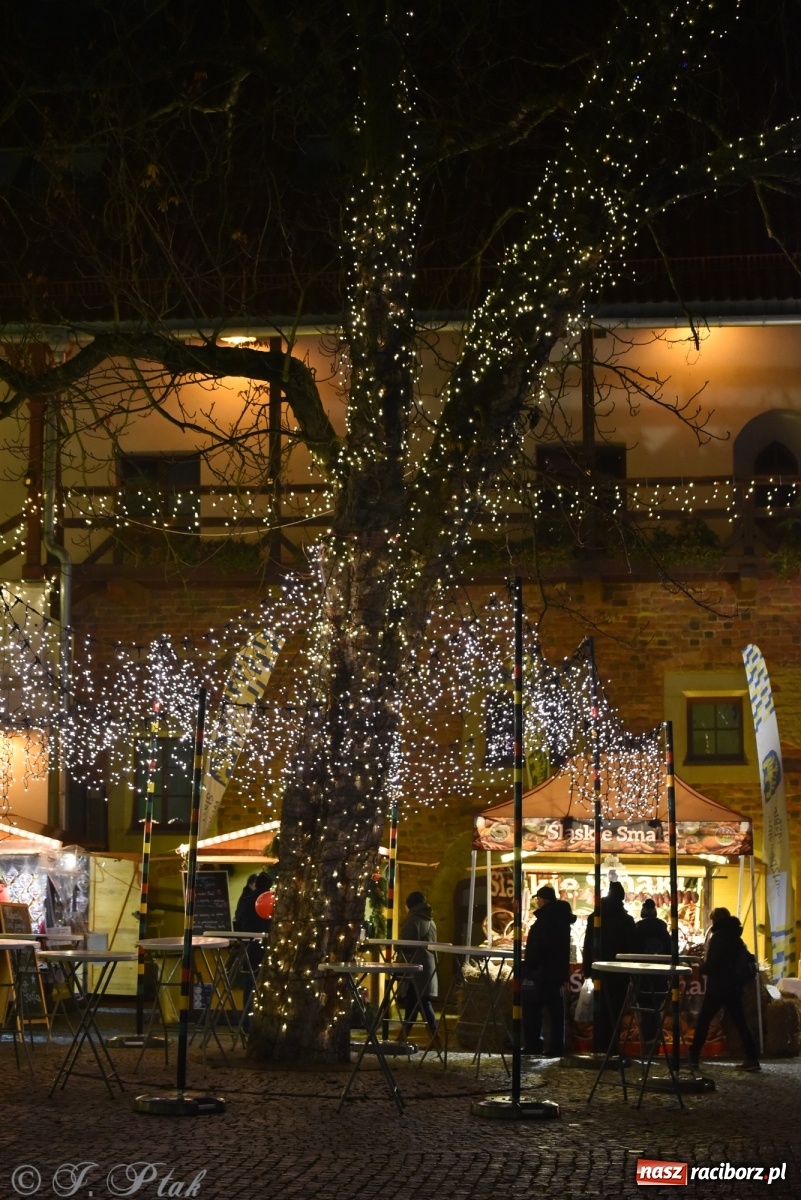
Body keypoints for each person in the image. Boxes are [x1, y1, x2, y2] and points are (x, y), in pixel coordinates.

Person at [689, 907, 760, 1072]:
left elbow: (712, 965)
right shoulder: (736, 937)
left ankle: (693, 1056)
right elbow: (748, 959)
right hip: (734, 987)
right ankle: (752, 1057)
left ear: (715, 920)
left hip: (718, 987)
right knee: (741, 1023)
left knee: (703, 1021)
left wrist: (702, 967)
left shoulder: (718, 938)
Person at [582, 880, 638, 1051]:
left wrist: (587, 969)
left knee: (600, 1010)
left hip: (599, 970)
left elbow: (588, 943)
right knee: (615, 1010)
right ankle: (611, 1047)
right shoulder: (626, 920)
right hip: (619, 973)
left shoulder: (596, 917)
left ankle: (598, 1044)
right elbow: (632, 948)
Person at [522, 884, 576, 1057]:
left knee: (533, 1007)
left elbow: (540, 946)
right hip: (556, 970)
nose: (537, 903)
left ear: (543, 900)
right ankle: (556, 1045)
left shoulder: (546, 919)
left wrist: (530, 962)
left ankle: (534, 1044)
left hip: (542, 970)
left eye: (538, 899)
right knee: (555, 1011)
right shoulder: (560, 918)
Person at [397, 890, 439, 1045]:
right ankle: (405, 1036)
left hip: (415, 965)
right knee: (416, 1001)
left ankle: (434, 1038)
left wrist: (397, 949)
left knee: (418, 1001)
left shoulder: (413, 919)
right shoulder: (430, 920)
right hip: (428, 965)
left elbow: (404, 943)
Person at [634, 898, 672, 1040]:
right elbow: (670, 950)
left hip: (642, 974)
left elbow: (633, 950)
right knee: (657, 1007)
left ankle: (646, 1040)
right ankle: (655, 1040)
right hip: (659, 975)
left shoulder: (637, 930)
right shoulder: (663, 930)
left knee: (644, 1007)